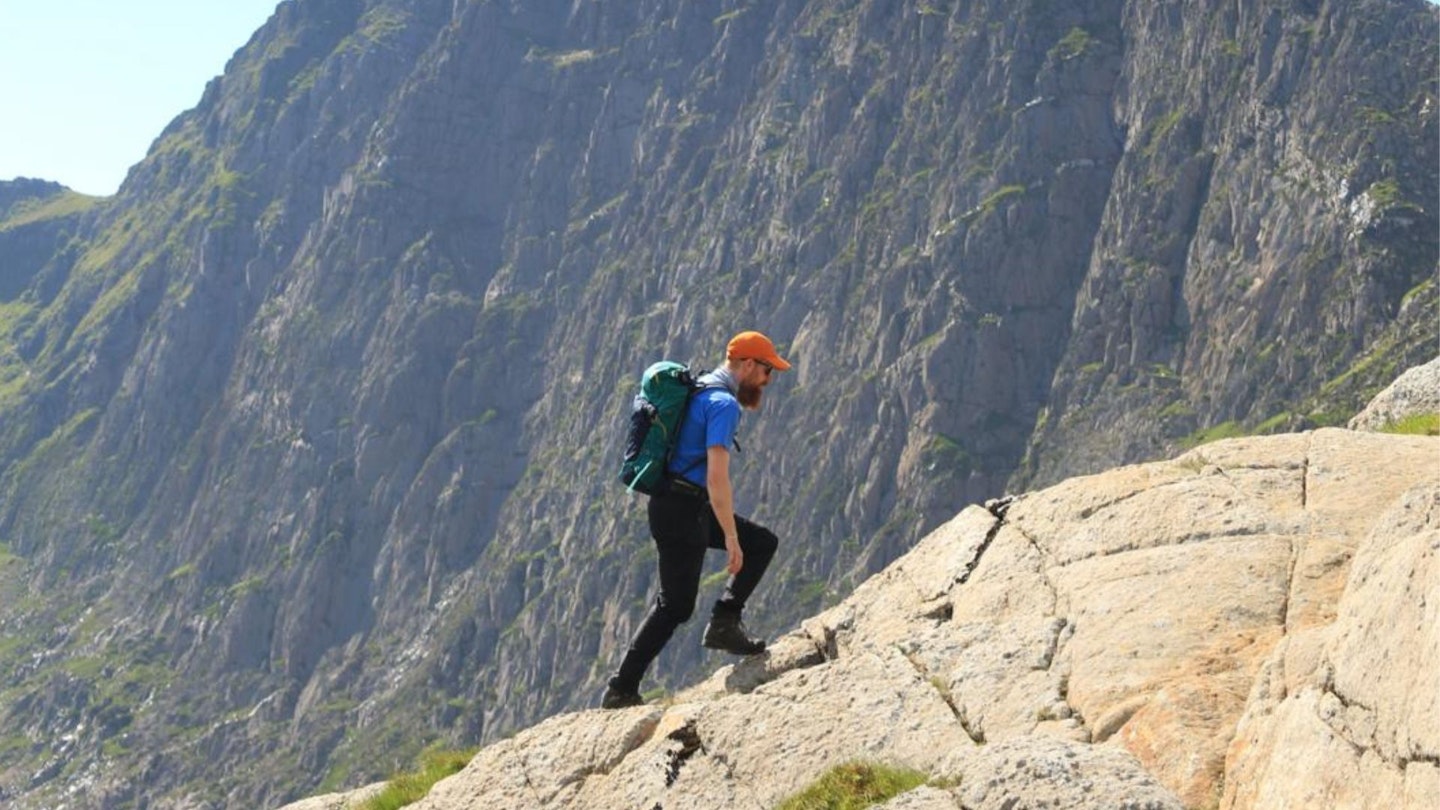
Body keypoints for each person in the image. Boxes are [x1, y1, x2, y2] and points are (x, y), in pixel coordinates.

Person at [602, 330, 791, 709]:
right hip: (683, 510)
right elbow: (716, 477)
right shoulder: (723, 403)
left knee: (763, 543)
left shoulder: (700, 385)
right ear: (750, 364)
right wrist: (731, 538)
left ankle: (725, 620)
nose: (768, 381)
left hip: (675, 504)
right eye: (767, 372)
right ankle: (621, 689)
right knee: (676, 605)